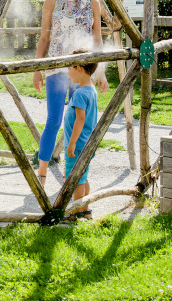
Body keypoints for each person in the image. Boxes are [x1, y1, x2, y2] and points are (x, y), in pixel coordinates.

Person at [33, 0, 108, 187]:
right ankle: (42, 174)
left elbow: (96, 38)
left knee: (80, 121)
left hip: (82, 70)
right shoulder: (51, 2)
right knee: (54, 121)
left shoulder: (92, 2)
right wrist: (37, 69)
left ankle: (76, 174)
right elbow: (44, 37)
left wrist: (100, 71)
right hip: (56, 68)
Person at [63, 47, 99, 220]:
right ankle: (86, 211)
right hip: (87, 143)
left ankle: (76, 212)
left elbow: (80, 119)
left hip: (77, 145)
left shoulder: (79, 94)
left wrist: (71, 143)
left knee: (75, 178)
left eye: (69, 68)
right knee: (83, 177)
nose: (68, 72)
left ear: (79, 68)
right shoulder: (91, 91)